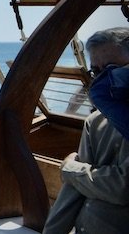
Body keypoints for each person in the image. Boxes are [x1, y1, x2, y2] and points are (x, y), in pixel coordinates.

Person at [43, 28, 129, 234]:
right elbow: (72, 192)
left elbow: (123, 188)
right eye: (97, 72)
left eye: (111, 68)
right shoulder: (95, 122)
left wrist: (70, 169)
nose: (103, 79)